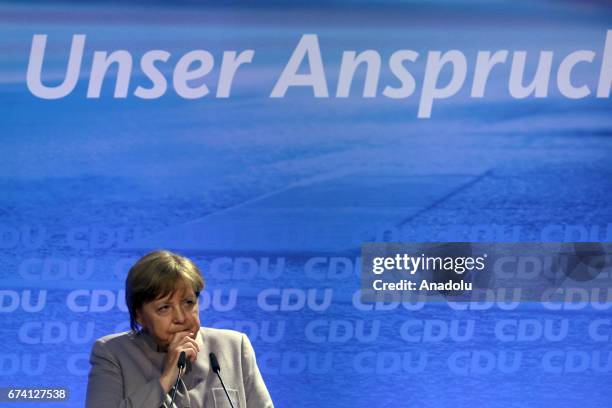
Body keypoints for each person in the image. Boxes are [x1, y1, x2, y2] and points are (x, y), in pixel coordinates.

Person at [85, 250, 274, 408]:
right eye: (164, 308)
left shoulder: (233, 347)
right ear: (139, 316)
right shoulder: (112, 354)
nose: (181, 317)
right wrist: (166, 379)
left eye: (188, 302)